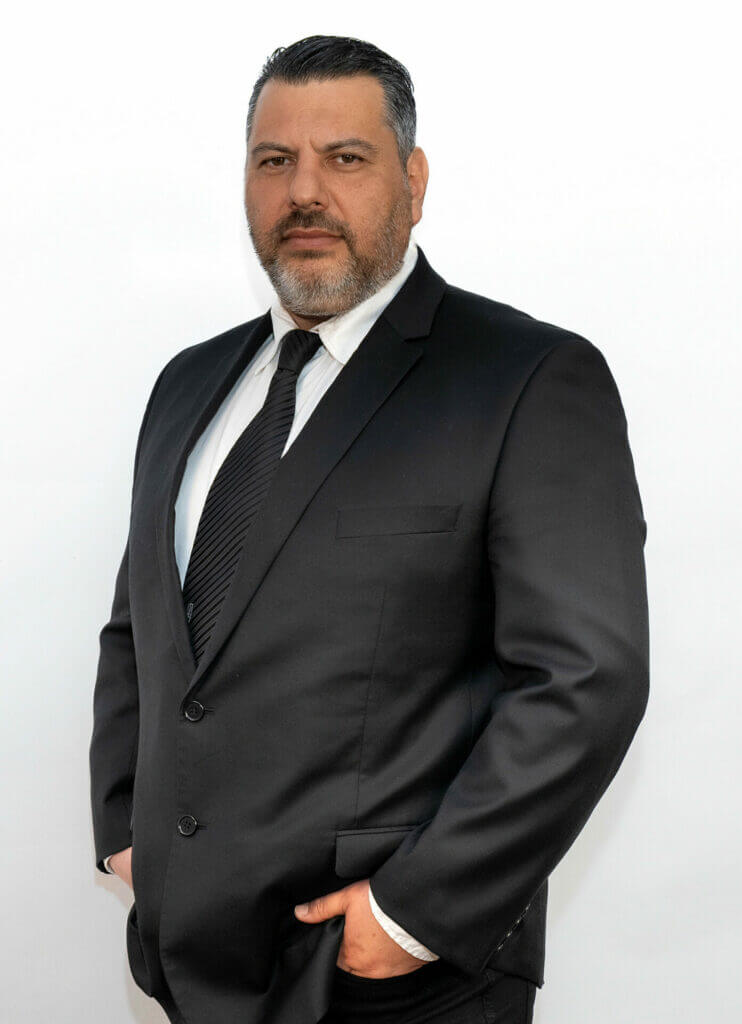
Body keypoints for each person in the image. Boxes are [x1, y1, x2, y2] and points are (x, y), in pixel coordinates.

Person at [89, 34, 649, 1024]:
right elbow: (142, 629)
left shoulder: (524, 380)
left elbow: (584, 679)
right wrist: (126, 828)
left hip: (396, 985)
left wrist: (413, 914)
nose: (304, 191)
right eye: (274, 160)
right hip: (186, 965)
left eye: (345, 158)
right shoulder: (187, 384)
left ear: (413, 181)